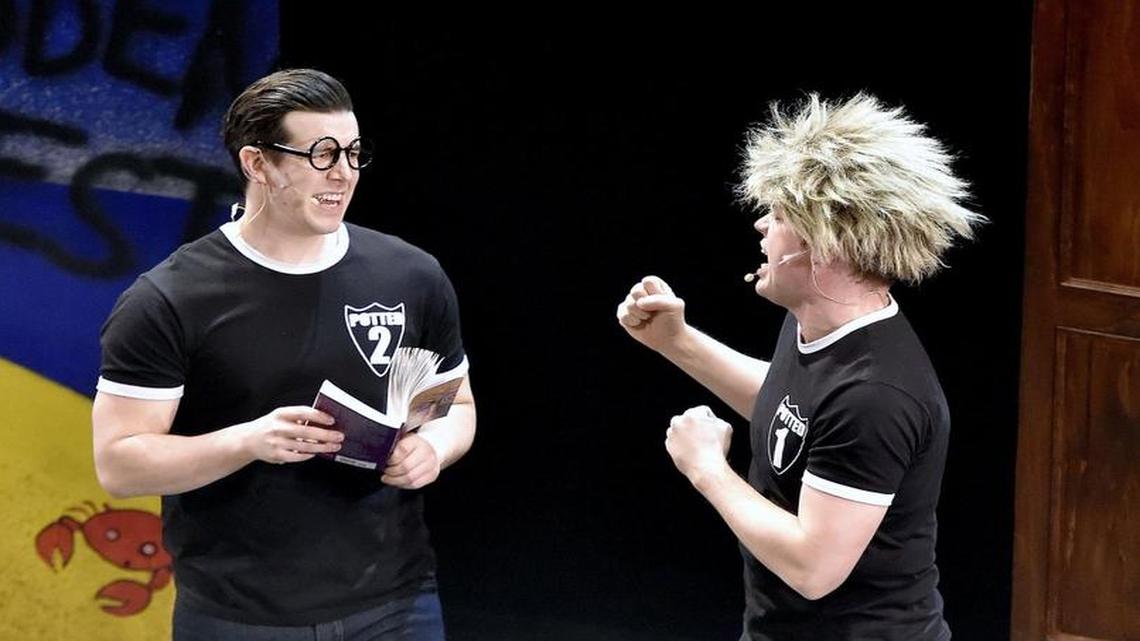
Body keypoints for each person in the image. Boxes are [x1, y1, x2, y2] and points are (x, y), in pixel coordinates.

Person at [92, 68, 475, 640]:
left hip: (397, 602)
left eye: (352, 152)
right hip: (240, 613)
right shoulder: (169, 298)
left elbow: (456, 406)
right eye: (320, 154)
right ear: (257, 164)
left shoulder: (410, 274)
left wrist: (432, 449)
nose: (343, 173)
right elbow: (119, 465)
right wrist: (248, 441)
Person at [616, 94, 984, 640]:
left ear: (828, 245)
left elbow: (814, 568)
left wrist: (708, 470)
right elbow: (797, 411)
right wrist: (678, 343)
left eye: (782, 215)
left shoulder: (875, 394)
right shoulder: (817, 322)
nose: (763, 225)